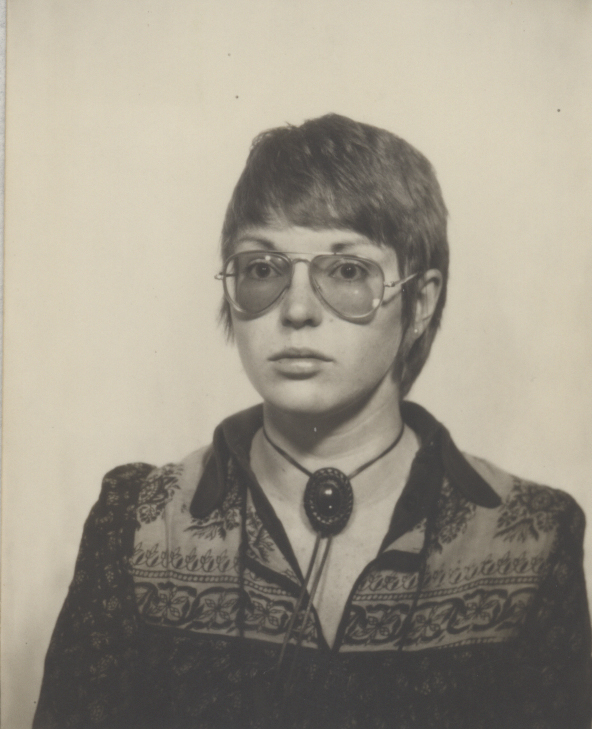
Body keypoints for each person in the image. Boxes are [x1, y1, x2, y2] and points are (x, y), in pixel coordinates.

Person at [34, 114, 591, 729]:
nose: (296, 309)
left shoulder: (531, 538)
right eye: (263, 268)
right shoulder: (139, 523)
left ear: (421, 302)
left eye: (347, 271)